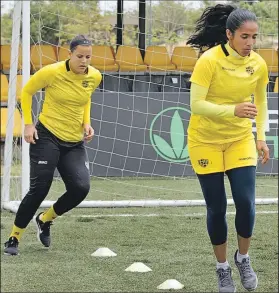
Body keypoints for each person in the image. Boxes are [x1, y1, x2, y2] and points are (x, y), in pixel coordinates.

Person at [186, 4, 269, 292]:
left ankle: (242, 258)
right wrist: (232, 110)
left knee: (246, 203)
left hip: (240, 139)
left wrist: (261, 137)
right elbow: (196, 105)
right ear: (229, 35)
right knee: (217, 208)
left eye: (254, 37)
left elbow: (261, 101)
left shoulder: (258, 63)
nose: (250, 43)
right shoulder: (208, 61)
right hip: (205, 141)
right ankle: (223, 268)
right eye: (244, 37)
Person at [4, 35, 102, 256]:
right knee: (40, 188)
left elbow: (86, 98)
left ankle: (45, 219)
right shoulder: (52, 72)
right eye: (79, 56)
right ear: (70, 54)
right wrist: (28, 125)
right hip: (47, 135)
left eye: (88, 57)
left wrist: (87, 122)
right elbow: (27, 92)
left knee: (80, 188)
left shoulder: (95, 76)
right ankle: (14, 236)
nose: (84, 61)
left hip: (74, 141)